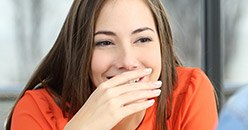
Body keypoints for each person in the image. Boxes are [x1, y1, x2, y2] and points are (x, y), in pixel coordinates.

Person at [5, 0, 218, 130]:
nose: (127, 61)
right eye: (105, 43)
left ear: (162, 43)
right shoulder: (37, 110)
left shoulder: (189, 92)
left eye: (142, 39)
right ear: (80, 51)